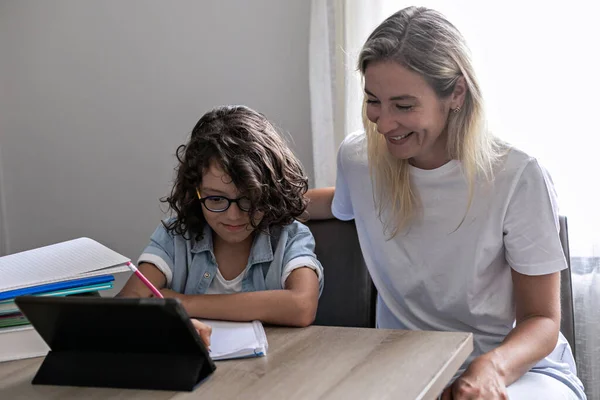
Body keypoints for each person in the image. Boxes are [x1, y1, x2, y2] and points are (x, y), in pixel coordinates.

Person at [306, 6, 585, 400]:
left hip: (518, 370)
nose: (384, 124)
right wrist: (241, 203)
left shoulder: (515, 176)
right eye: (373, 101)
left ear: (455, 93)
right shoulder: (359, 160)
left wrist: (489, 368)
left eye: (403, 106)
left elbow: (541, 320)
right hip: (408, 365)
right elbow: (339, 206)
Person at [119, 105, 323, 334]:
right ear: (195, 191)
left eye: (249, 200)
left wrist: (183, 305)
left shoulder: (289, 237)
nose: (234, 215)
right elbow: (129, 302)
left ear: (271, 192)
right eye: (216, 199)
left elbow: (302, 305)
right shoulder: (176, 236)